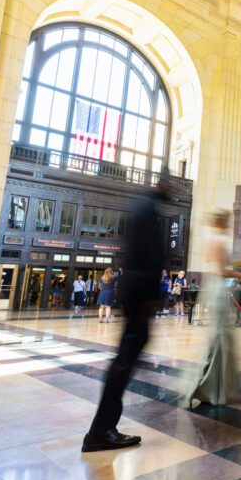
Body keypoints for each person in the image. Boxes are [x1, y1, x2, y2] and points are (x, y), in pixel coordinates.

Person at [82, 171, 173, 452]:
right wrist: (150, 297)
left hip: (136, 292)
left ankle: (103, 428)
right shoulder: (146, 209)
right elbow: (146, 256)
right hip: (139, 294)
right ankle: (100, 431)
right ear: (160, 183)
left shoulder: (144, 207)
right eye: (168, 183)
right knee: (123, 361)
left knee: (126, 357)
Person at [183, 210, 241, 406]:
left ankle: (215, 387)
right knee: (219, 339)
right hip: (218, 289)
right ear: (223, 223)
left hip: (214, 287)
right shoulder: (218, 241)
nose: (230, 226)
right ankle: (206, 387)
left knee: (220, 339)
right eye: (228, 222)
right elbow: (222, 271)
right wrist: (240, 273)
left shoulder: (211, 239)